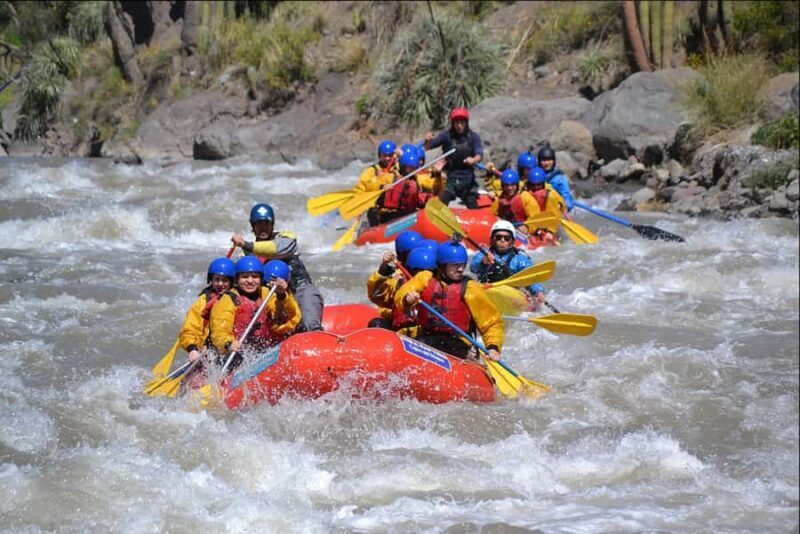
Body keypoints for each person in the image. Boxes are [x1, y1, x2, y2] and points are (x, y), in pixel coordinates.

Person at [394, 241, 503, 360]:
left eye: (463, 264)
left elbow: (491, 322)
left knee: (440, 344)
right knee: (421, 343)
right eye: (455, 265)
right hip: (427, 338)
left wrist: (493, 347)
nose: (461, 269)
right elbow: (401, 294)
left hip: (459, 344)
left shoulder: (471, 288)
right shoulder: (425, 278)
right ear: (442, 265)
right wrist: (407, 299)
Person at [231, 203, 324, 332]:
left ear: (272, 224)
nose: (263, 228)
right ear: (253, 226)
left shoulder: (287, 238)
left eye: (266, 224)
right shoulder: (245, 256)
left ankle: (314, 332)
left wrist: (245, 244)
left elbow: (274, 249)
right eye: (259, 224)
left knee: (309, 306)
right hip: (272, 299)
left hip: (299, 290)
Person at [209, 256, 301, 371]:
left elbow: (286, 319)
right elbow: (219, 331)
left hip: (269, 350)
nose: (250, 281)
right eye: (245, 277)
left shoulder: (268, 293)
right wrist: (228, 344)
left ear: (261, 279)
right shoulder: (228, 300)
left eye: (255, 277)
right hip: (241, 353)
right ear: (237, 279)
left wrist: (282, 296)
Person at [176, 257, 236, 387]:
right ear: (211, 281)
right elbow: (190, 328)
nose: (220, 284)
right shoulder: (203, 301)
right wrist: (192, 349)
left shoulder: (237, 298)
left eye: (225, 280)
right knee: (195, 384)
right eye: (217, 280)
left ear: (232, 281)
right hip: (209, 352)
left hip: (233, 349)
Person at [469, 220, 542, 305]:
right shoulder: (483, 254)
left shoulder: (520, 259)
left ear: (511, 241)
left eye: (507, 238)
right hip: (487, 292)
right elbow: (473, 268)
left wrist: (538, 291)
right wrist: (483, 262)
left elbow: (531, 278)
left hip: (511, 297)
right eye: (498, 237)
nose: (502, 240)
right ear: (493, 239)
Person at [424, 107, 484, 209]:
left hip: (468, 179)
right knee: (443, 200)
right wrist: (427, 140)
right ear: (453, 123)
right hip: (450, 178)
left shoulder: (473, 137)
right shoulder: (446, 136)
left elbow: (479, 154)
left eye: (462, 122)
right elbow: (427, 147)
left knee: (472, 201)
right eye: (456, 123)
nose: (459, 126)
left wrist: (473, 160)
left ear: (466, 123)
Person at [366, 230, 422, 327]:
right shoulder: (397, 277)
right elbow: (377, 297)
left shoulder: (432, 273)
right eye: (410, 254)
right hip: (403, 326)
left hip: (424, 325)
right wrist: (383, 269)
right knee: (376, 324)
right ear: (402, 256)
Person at [369, 151, 424, 225]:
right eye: (409, 168)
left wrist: (437, 173)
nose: (412, 170)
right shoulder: (391, 177)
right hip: (388, 214)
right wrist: (382, 186)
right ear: (403, 167)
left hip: (407, 214)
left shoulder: (417, 179)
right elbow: (371, 184)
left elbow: (431, 183)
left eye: (414, 168)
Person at [521, 167, 565, 240]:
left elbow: (554, 215)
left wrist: (551, 232)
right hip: (532, 223)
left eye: (539, 185)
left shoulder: (549, 195)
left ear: (543, 184)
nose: (536, 188)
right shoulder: (524, 190)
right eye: (533, 185)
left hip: (548, 224)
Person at [538, 146, 574, 214]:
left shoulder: (559, 179)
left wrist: (562, 206)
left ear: (553, 161)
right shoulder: (536, 176)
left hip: (554, 212)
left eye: (549, 160)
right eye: (544, 160)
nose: (546, 163)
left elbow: (567, 200)